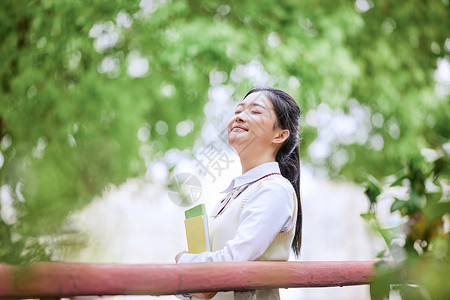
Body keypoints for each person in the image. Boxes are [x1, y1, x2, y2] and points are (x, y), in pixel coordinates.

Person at [175, 87, 302, 300]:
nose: (240, 116)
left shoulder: (274, 190)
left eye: (256, 112)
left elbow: (233, 260)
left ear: (280, 135)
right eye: (238, 111)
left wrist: (183, 261)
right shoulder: (234, 194)